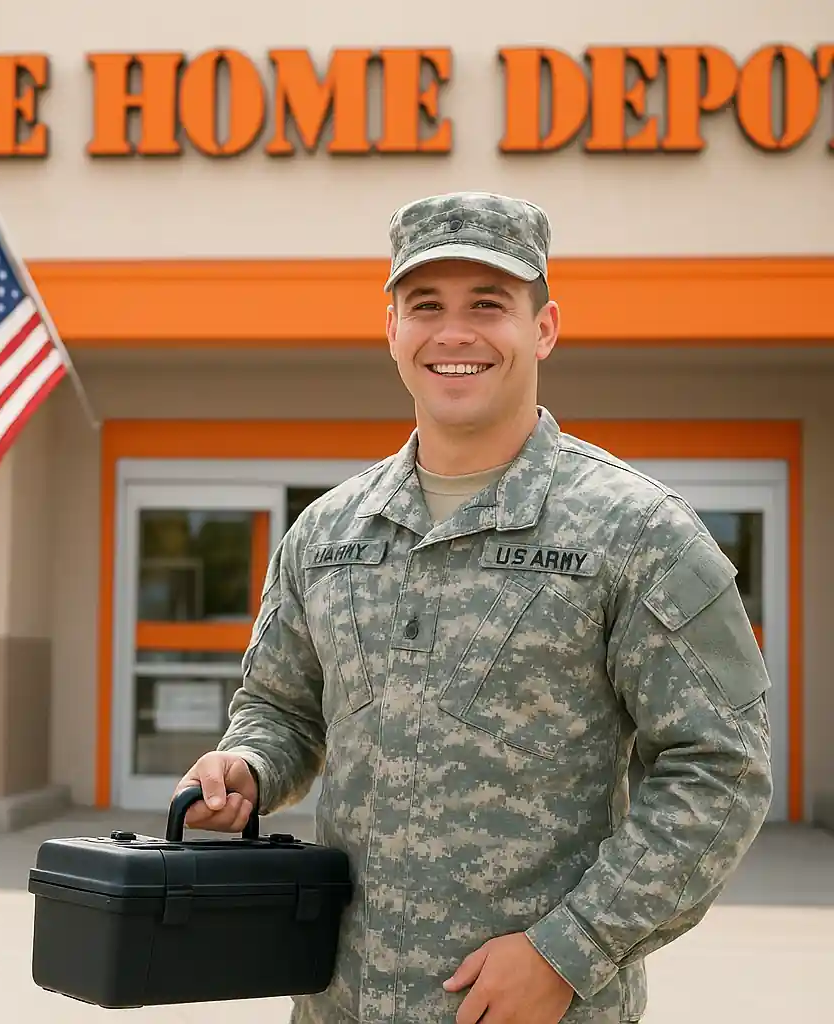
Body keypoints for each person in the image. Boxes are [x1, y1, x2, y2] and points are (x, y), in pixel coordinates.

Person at [174, 191, 773, 1024]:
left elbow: (721, 769)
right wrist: (247, 767)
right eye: (426, 307)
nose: (454, 333)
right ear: (392, 331)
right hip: (339, 1001)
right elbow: (283, 711)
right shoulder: (329, 531)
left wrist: (571, 950)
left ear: (545, 328)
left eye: (488, 305)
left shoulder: (639, 533)